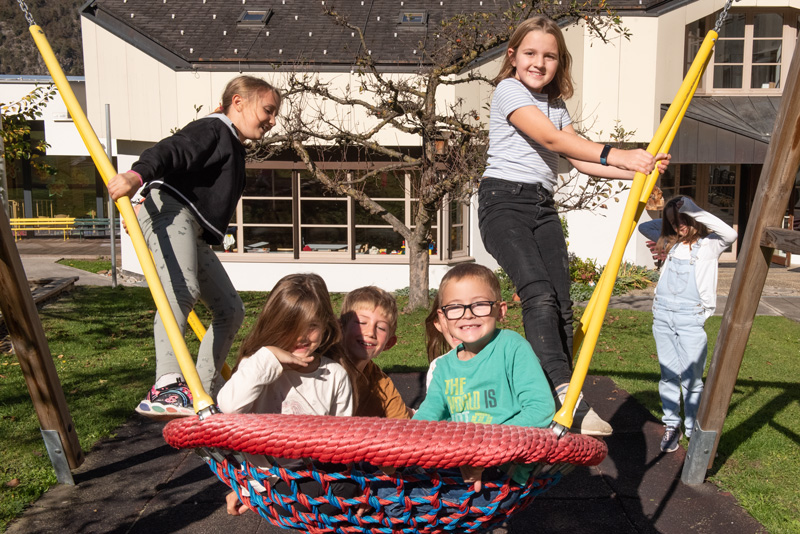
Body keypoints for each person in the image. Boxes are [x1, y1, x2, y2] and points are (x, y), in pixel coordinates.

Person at [478, 15, 670, 436]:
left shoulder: (556, 105)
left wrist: (637, 171)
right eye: (530, 53)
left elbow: (577, 159)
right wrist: (620, 154)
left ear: (559, 62)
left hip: (541, 205)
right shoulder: (509, 91)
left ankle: (569, 396)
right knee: (538, 293)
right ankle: (560, 389)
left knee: (562, 302)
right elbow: (552, 141)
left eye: (550, 56)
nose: (539, 62)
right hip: (503, 202)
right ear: (512, 57)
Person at [107, 75, 282, 417]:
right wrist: (137, 177)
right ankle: (167, 384)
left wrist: (146, 197)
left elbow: (186, 172)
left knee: (232, 310)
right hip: (173, 213)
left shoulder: (231, 143)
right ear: (238, 102)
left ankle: (203, 388)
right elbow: (174, 150)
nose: (273, 121)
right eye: (268, 110)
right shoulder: (214, 128)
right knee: (181, 288)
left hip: (190, 226)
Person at [375, 264, 555, 520]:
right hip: (454, 464)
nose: (467, 315)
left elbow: (541, 409)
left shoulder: (511, 347)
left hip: (501, 470)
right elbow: (428, 414)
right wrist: (401, 450)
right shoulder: (445, 367)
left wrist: (484, 451)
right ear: (443, 316)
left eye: (479, 304)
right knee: (383, 489)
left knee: (412, 508)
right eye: (456, 307)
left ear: (500, 310)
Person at [217, 273, 356, 516]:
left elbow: (343, 442)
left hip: (314, 473)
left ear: (325, 325)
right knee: (337, 497)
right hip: (269, 478)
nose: (302, 336)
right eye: (291, 327)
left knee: (353, 487)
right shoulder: (257, 365)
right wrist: (269, 355)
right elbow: (228, 406)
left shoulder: (334, 375)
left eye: (312, 326)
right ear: (276, 324)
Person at [638, 196, 737, 452]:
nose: (679, 226)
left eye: (684, 221)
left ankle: (692, 428)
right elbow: (643, 227)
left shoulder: (710, 245)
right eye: (674, 222)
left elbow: (729, 232)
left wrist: (690, 209)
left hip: (689, 318)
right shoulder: (671, 243)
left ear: (695, 218)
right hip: (662, 315)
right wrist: (671, 217)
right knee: (668, 375)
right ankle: (673, 425)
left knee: (692, 379)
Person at [340, 286, 412, 419]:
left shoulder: (382, 385)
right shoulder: (322, 366)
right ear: (341, 327)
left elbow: (404, 427)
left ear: (389, 343)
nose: (370, 332)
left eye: (381, 328)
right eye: (362, 322)